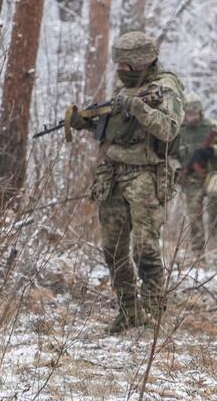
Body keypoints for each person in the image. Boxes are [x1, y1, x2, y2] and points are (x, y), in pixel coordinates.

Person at [73, 31, 184, 333]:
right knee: (112, 248)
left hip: (146, 175)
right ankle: (129, 312)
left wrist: (138, 108)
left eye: (125, 65)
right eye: (118, 64)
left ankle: (152, 315)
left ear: (141, 62)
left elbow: (168, 129)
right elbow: (118, 130)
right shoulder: (127, 86)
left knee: (145, 248)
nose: (119, 70)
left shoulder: (166, 87)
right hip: (113, 173)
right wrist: (88, 123)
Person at [176, 93, 217, 256]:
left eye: (193, 114)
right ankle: (198, 253)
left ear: (200, 112)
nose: (190, 117)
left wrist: (212, 150)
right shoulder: (180, 130)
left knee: (215, 193)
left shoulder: (211, 127)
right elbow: (171, 154)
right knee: (194, 217)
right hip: (191, 179)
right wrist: (178, 170)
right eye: (187, 114)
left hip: (212, 173)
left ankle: (214, 225)